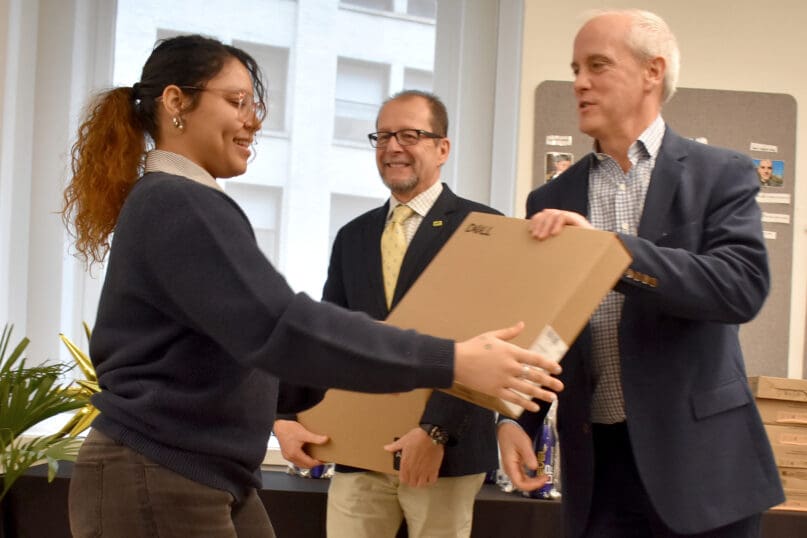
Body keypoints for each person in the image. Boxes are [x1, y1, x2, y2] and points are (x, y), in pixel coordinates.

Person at [60, 35, 564, 538]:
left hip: (200, 470)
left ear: (442, 148)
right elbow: (286, 328)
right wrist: (453, 361)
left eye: (252, 105)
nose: (253, 120)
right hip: (161, 470)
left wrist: (298, 406)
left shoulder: (183, 201)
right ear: (176, 102)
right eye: (237, 102)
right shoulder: (179, 202)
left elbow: (255, 345)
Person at [498, 9, 783, 538]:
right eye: (575, 68)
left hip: (703, 469)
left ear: (653, 71)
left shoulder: (721, 173)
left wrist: (610, 253)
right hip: (598, 471)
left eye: (597, 65)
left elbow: (739, 289)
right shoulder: (551, 198)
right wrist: (520, 419)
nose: (579, 82)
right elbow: (546, 328)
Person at [274, 90, 500, 538]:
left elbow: (490, 342)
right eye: (383, 136)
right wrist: (287, 415)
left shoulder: (484, 228)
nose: (393, 147)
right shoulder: (353, 236)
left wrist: (436, 431)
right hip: (359, 449)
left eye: (410, 135)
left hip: (444, 454)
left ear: (442, 148)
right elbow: (329, 340)